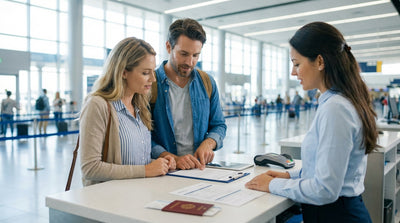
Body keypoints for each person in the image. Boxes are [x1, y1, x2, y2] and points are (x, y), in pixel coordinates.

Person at [245, 22, 377, 223]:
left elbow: (325, 189)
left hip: (336, 216)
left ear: (320, 62)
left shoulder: (336, 108)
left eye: (297, 64)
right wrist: (291, 177)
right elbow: (326, 168)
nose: (293, 72)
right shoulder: (336, 102)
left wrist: (271, 185)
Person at [79, 37, 176, 186]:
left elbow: (134, 163)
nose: (153, 79)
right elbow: (90, 168)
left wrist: (158, 164)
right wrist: (146, 170)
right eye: (145, 73)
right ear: (123, 72)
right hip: (110, 202)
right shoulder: (98, 105)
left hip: (137, 197)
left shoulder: (140, 107)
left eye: (153, 72)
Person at [151, 18, 227, 170]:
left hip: (198, 169)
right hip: (162, 171)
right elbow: (142, 137)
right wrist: (172, 158)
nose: (190, 62)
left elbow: (218, 125)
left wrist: (209, 143)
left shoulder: (207, 82)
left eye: (195, 55)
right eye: (184, 54)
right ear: (168, 46)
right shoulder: (150, 84)